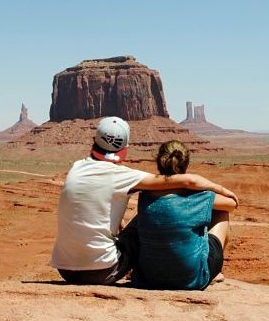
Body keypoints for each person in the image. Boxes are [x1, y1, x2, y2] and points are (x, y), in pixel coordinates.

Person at [51, 117, 238, 285]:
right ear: (124, 150)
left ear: (94, 142)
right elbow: (184, 181)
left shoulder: (76, 167)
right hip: (103, 271)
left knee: (140, 218)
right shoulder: (123, 175)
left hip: (65, 270)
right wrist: (220, 189)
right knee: (145, 217)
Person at [132, 140, 236, 290]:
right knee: (221, 212)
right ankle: (216, 272)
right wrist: (210, 187)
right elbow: (232, 204)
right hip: (193, 279)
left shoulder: (145, 195)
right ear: (186, 165)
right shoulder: (198, 196)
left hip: (148, 278)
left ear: (159, 162)